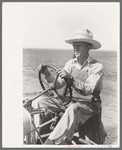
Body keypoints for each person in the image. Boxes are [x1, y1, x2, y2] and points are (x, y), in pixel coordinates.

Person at [32, 29, 104, 144]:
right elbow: (59, 84)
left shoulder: (97, 67)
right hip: (69, 101)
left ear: (88, 47)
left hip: (88, 105)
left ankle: (53, 143)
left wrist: (70, 78)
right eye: (74, 46)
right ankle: (36, 137)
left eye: (79, 46)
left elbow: (88, 89)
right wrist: (47, 74)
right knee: (39, 102)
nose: (75, 48)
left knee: (73, 109)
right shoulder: (70, 64)